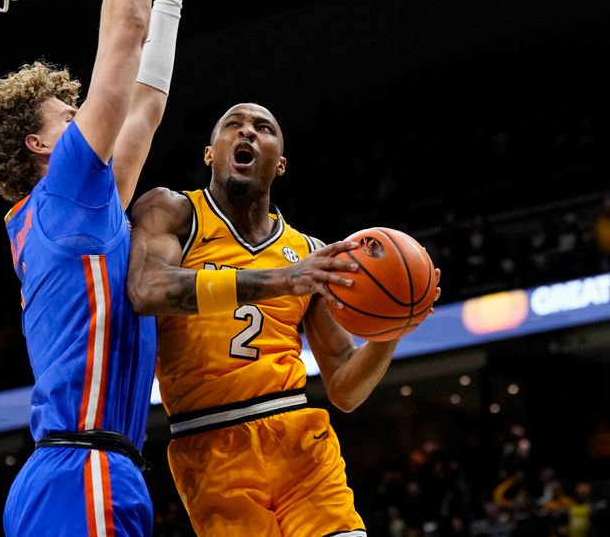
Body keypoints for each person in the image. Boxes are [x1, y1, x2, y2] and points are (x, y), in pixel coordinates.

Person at [127, 102, 442, 536]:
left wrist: (391, 330)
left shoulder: (310, 252)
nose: (247, 133)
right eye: (233, 125)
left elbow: (346, 389)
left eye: (263, 128)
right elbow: (146, 290)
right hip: (211, 443)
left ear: (280, 164)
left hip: (298, 439)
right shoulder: (174, 212)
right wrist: (282, 280)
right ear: (209, 153)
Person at [0, 0, 185, 535]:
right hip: (81, 469)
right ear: (41, 146)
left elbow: (147, 105)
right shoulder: (65, 189)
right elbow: (125, 34)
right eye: (68, 113)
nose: (85, 115)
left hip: (86, 468)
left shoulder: (77, 208)